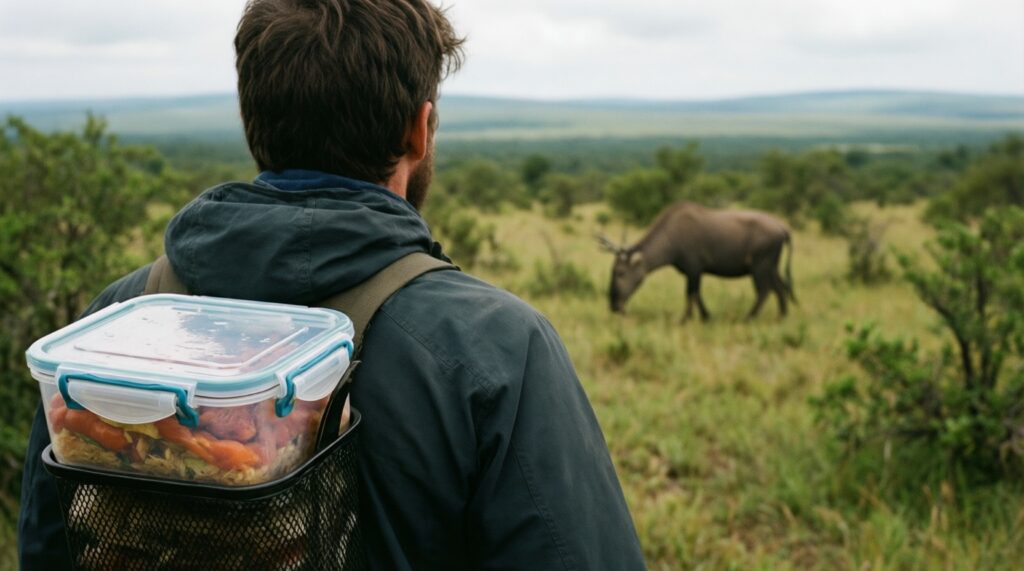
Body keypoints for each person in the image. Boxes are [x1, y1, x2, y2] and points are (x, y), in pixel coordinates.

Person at [18, 0, 646, 568]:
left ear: (251, 120)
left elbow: (50, 548)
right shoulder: (499, 347)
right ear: (418, 130)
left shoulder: (113, 323)